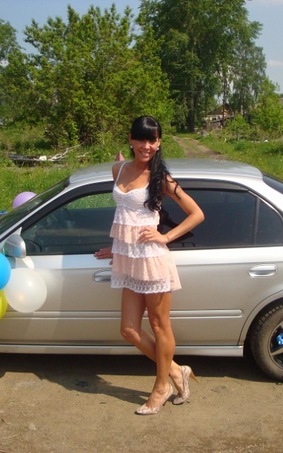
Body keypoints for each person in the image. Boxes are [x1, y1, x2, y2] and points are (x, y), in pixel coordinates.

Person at [95, 116, 205, 415]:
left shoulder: (161, 178)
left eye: (153, 140)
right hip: (129, 259)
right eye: (141, 139)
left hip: (153, 258)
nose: (147, 146)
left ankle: (160, 387)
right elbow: (126, 214)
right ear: (131, 139)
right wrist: (119, 247)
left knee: (159, 325)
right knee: (129, 329)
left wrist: (165, 236)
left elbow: (196, 213)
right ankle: (176, 370)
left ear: (159, 142)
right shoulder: (118, 169)